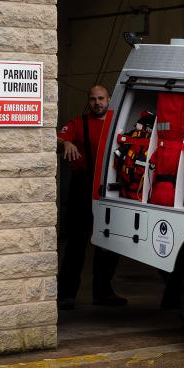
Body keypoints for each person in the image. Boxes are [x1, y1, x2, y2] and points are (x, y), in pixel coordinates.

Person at [56, 85, 124, 309]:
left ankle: (102, 292)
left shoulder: (119, 123)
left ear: (109, 99)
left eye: (101, 98)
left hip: (110, 190)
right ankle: (66, 295)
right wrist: (65, 142)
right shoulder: (78, 123)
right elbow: (56, 138)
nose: (97, 103)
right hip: (81, 188)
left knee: (109, 243)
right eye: (93, 99)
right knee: (76, 244)